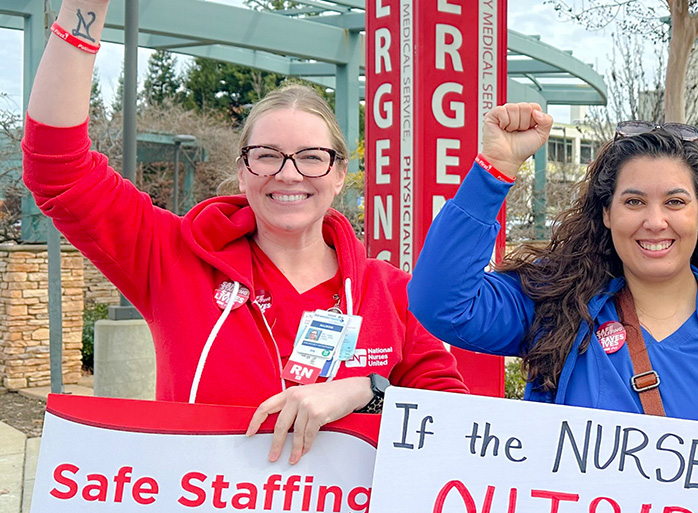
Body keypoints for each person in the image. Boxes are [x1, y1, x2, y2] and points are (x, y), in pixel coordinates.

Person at [22, 0, 467, 464]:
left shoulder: (391, 292)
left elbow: (453, 425)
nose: (289, 174)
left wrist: (367, 391)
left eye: (312, 157)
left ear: (339, 175)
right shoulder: (174, 259)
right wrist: (82, 10)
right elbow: (60, 173)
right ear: (242, 171)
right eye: (267, 155)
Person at [408, 103, 698, 431]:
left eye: (675, 202)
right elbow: (441, 303)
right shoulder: (554, 305)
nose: (655, 221)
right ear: (607, 214)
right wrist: (494, 169)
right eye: (633, 202)